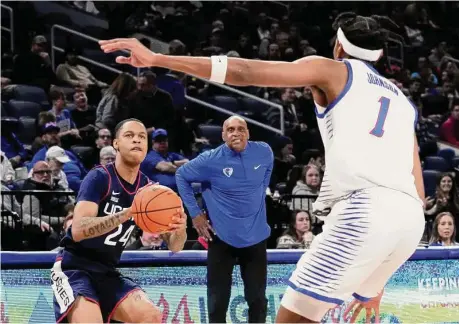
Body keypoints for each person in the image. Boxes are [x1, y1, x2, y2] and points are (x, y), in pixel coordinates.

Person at [99, 12, 426, 323]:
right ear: (380, 55)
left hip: (365, 211)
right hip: (409, 220)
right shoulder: (400, 100)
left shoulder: (332, 70)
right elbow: (418, 189)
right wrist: (378, 273)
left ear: (339, 46)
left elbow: (245, 72)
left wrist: (158, 59)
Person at [51, 118, 188, 323]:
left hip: (107, 271)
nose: (137, 140)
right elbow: (78, 230)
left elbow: (175, 246)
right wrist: (127, 213)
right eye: (129, 135)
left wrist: (180, 228)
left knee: (151, 316)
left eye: (142, 137)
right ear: (115, 143)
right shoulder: (99, 177)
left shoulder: (150, 191)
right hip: (74, 268)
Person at [175, 116, 274, 323]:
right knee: (217, 303)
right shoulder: (210, 159)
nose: (235, 133)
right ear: (223, 135)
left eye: (240, 129)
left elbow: (265, 179)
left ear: (248, 133)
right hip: (221, 239)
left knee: (257, 300)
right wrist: (195, 214)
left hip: (256, 238)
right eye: (230, 130)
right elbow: (181, 176)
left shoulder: (264, 152)